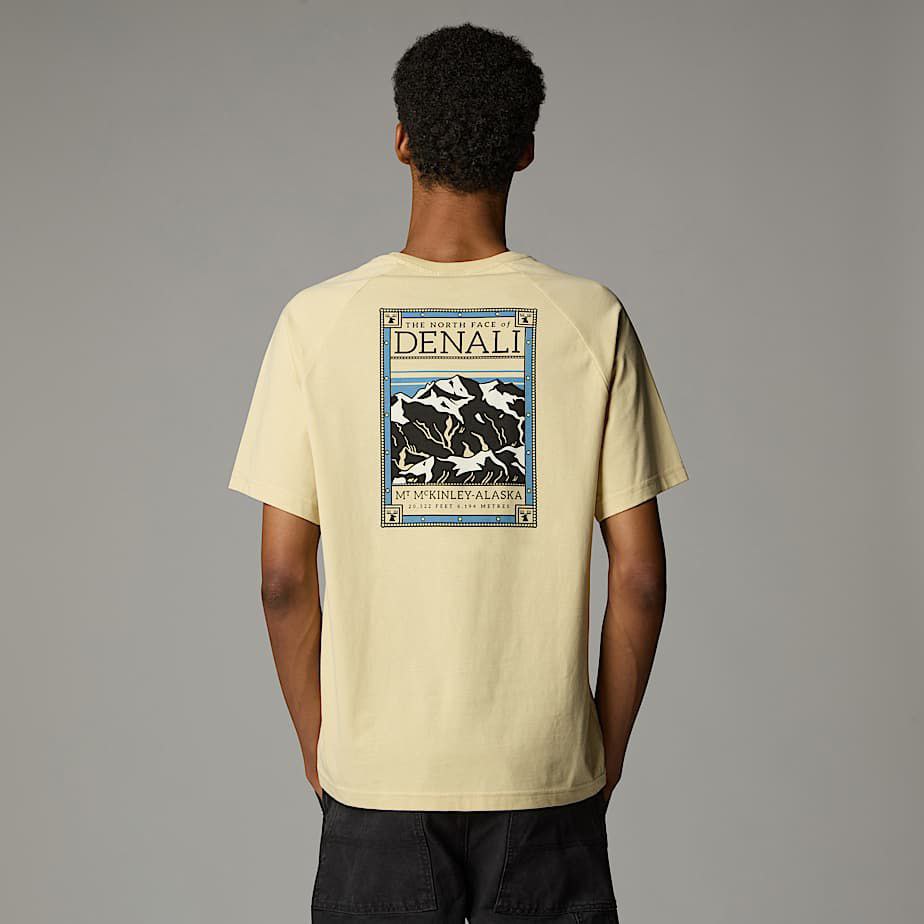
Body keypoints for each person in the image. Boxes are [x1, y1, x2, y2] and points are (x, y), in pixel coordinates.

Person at [230, 22, 687, 923]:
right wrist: (597, 758)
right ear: (524, 150)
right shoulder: (590, 320)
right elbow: (638, 576)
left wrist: (325, 751)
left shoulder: (316, 323)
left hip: (378, 777)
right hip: (544, 775)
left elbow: (283, 579)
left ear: (402, 141)